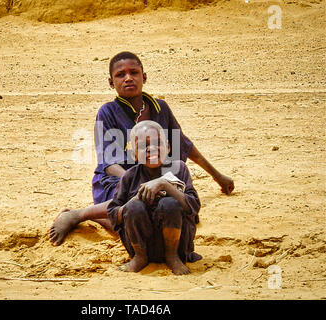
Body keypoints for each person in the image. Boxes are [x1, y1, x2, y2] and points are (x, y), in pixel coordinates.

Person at [49, 51, 234, 247]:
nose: (128, 78)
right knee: (131, 221)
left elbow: (184, 144)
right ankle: (79, 214)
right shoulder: (108, 112)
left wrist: (218, 176)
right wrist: (138, 183)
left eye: (134, 73)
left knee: (184, 215)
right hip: (118, 182)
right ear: (111, 83)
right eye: (120, 75)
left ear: (143, 77)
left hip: (156, 178)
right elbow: (109, 164)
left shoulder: (161, 108)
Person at [107, 120, 200, 275]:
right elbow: (113, 214)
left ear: (168, 147)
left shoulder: (179, 169)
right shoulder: (129, 177)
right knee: (133, 207)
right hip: (143, 245)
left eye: (158, 143)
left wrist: (166, 185)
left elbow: (194, 206)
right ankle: (140, 257)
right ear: (133, 154)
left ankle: (172, 256)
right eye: (143, 146)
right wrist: (136, 198)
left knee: (170, 203)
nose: (151, 148)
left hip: (178, 244)